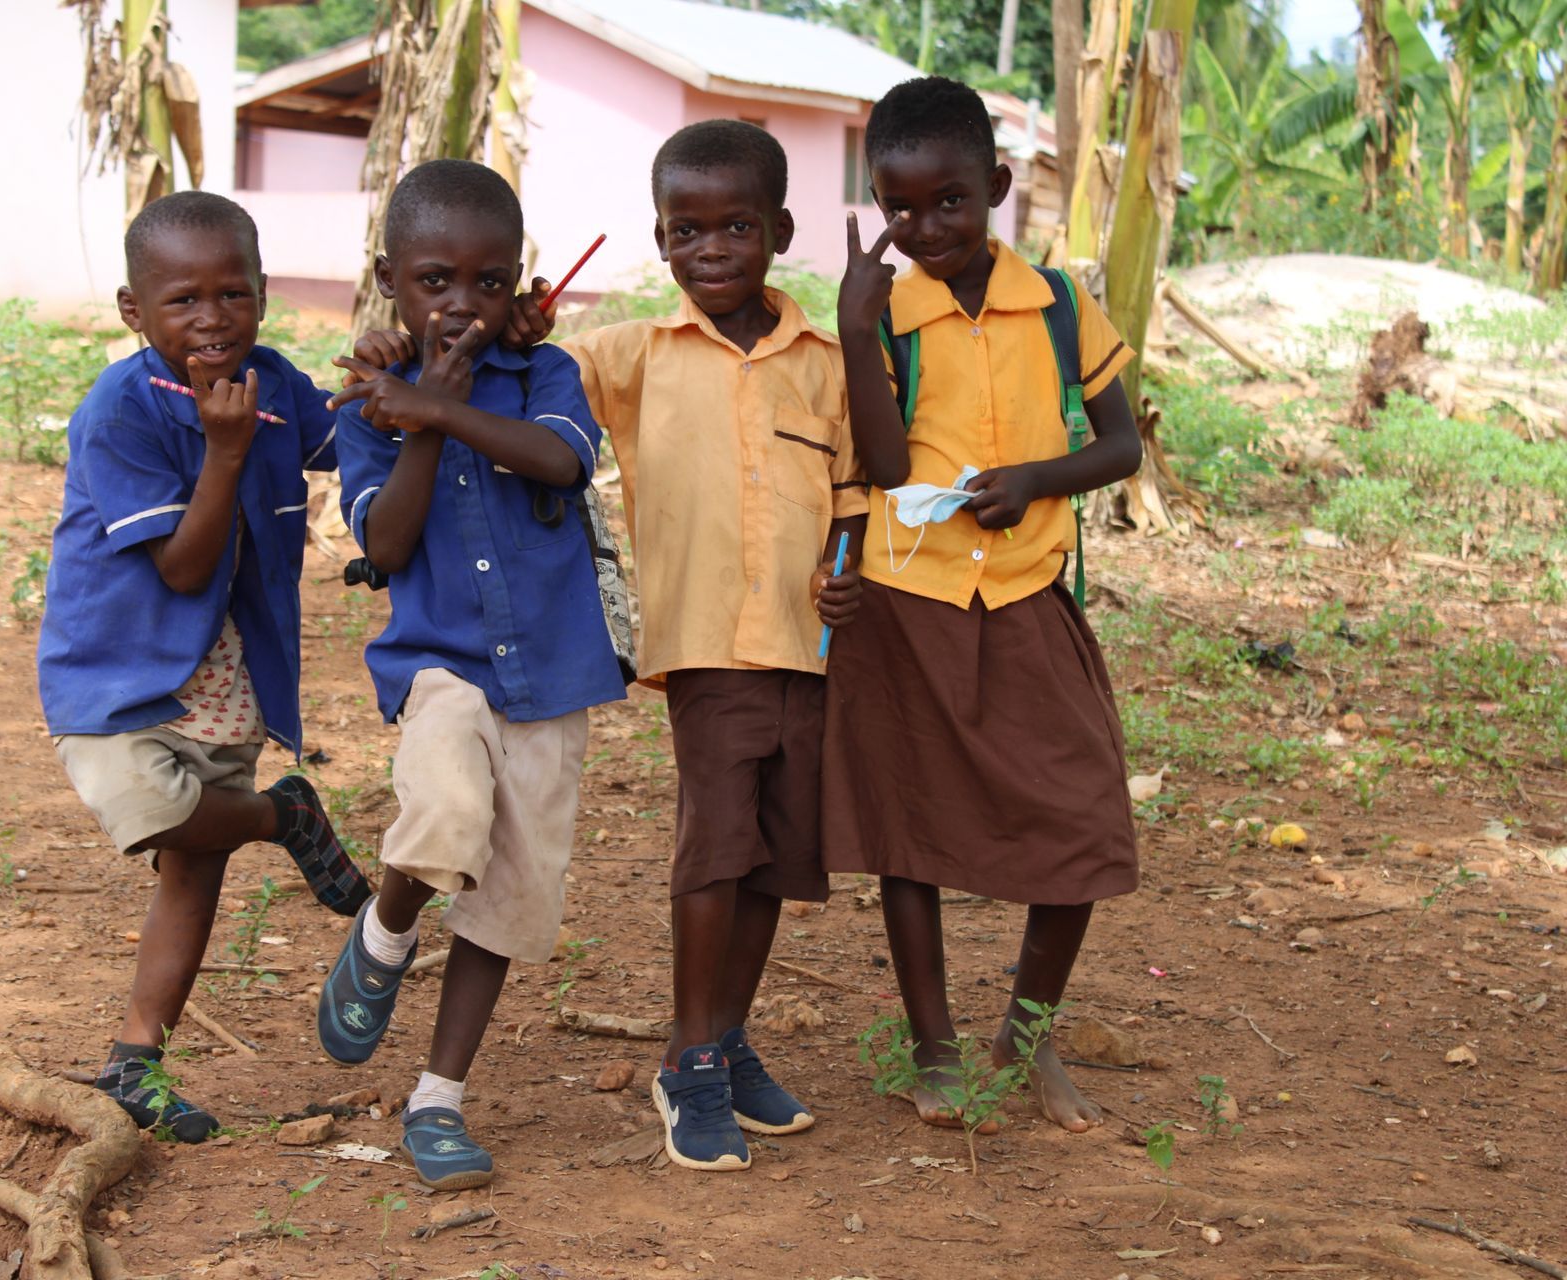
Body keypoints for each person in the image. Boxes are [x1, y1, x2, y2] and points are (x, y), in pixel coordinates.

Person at [828, 76, 1144, 1135]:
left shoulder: (1058, 304)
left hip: (1023, 589)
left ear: (998, 187)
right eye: (900, 209)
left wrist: (1035, 479)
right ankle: (935, 1051)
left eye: (949, 203)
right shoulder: (884, 310)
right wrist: (854, 327)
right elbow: (878, 462)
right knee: (908, 825)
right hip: (907, 594)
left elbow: (1122, 442)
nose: (924, 229)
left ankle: (1028, 1025)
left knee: (1085, 809)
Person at [38, 191, 384, 1141]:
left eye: (233, 294)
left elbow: (354, 434)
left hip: (222, 671)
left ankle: (134, 1060)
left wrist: (395, 378)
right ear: (132, 310)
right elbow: (184, 567)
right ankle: (285, 815)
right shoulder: (120, 411)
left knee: (193, 868)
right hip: (114, 669)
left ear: (265, 294)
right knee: (155, 812)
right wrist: (226, 454)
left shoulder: (273, 383)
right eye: (183, 300)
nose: (212, 319)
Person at [561, 120, 866, 1172]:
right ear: (660, 239)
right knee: (716, 847)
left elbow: (854, 493)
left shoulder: (825, 364)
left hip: (806, 645)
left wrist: (849, 562)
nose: (714, 249)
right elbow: (529, 386)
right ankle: (688, 1056)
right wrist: (498, 330)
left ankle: (728, 1036)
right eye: (687, 230)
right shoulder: (631, 355)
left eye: (738, 225)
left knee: (777, 857)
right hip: (704, 649)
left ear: (780, 229)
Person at [322, 159, 625, 1191]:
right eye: (436, 279)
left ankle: (437, 1099)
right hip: (441, 668)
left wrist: (444, 406)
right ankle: (389, 923)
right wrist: (414, 411)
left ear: (521, 284)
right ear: (391, 279)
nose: (462, 304)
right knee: (446, 805)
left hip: (553, 673)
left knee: (505, 896)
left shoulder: (547, 378)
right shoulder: (366, 408)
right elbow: (391, 544)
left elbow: (562, 462)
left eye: (489, 283)